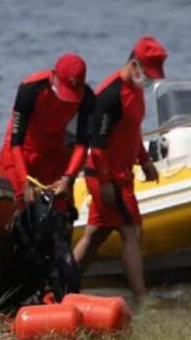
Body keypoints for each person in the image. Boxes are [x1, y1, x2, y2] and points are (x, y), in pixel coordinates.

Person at [0, 53, 95, 307]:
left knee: (59, 221)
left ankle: (57, 292)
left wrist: (68, 178)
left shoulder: (87, 97)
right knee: (16, 221)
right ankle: (5, 298)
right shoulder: (30, 89)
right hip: (21, 154)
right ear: (53, 78)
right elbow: (16, 141)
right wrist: (24, 180)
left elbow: (82, 143)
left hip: (54, 155)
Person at [72, 36, 167, 303]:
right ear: (134, 65)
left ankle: (63, 285)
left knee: (95, 235)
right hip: (106, 176)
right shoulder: (109, 96)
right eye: (147, 74)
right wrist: (104, 184)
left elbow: (132, 131)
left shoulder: (136, 91)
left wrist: (145, 160)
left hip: (123, 175)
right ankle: (141, 298)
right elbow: (98, 146)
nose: (149, 80)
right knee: (131, 231)